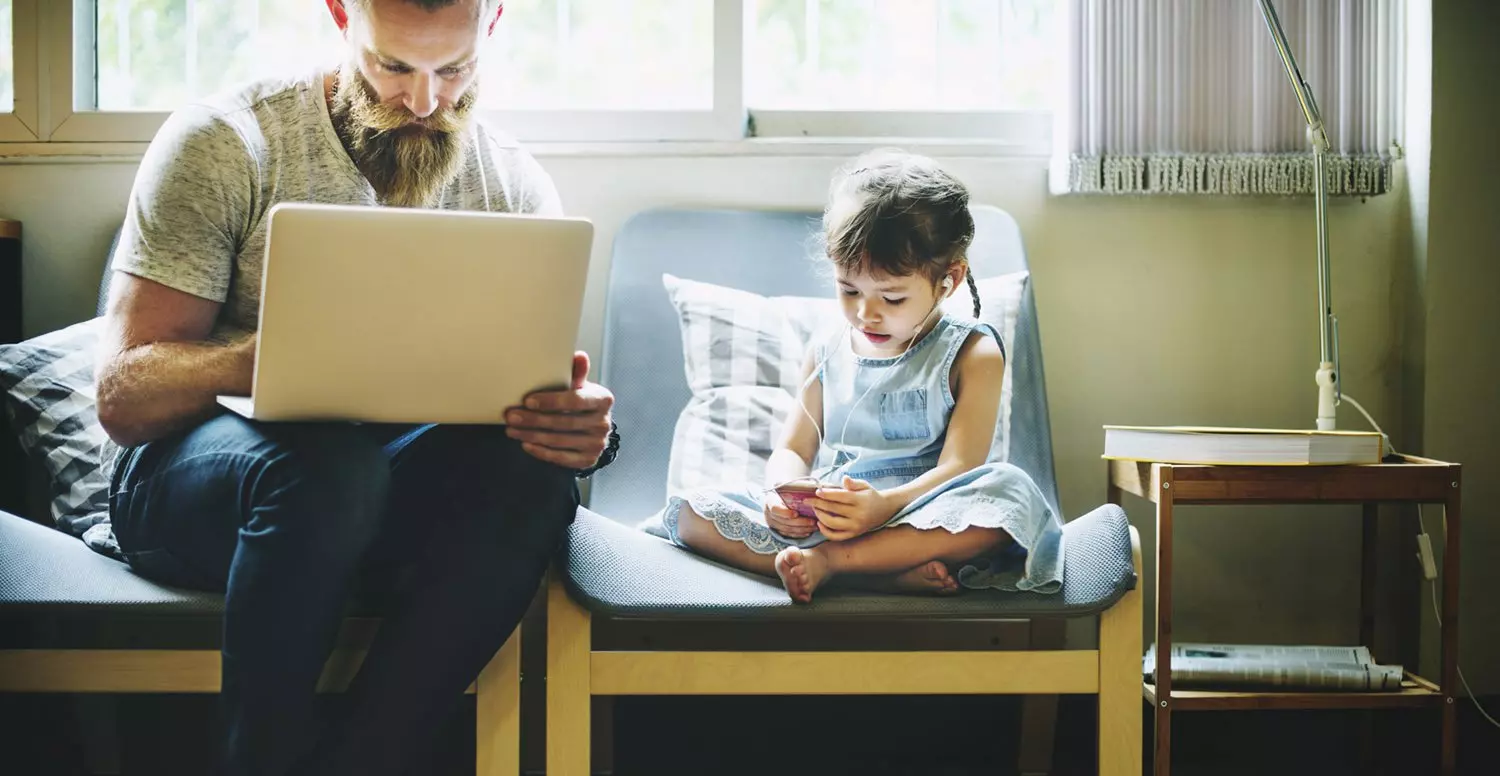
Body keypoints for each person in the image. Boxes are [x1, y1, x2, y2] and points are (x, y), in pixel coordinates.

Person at [91, 1, 619, 774]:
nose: (426, 101)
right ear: (341, 14)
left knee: (531, 480)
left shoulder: (510, 185)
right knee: (329, 469)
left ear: (494, 23)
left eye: (455, 69)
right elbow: (123, 399)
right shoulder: (226, 143)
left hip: (377, 489)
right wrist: (275, 356)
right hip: (193, 490)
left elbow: (529, 396)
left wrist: (580, 433)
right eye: (394, 66)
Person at [661, 149, 1063, 604]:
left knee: (1009, 493)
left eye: (892, 299)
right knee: (694, 512)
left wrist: (885, 507)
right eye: (848, 290)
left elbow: (960, 468)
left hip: (923, 516)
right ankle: (874, 574)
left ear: (948, 280)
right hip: (834, 520)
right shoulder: (825, 350)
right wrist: (783, 497)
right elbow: (793, 449)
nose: (865, 313)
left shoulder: (973, 353)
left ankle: (833, 566)